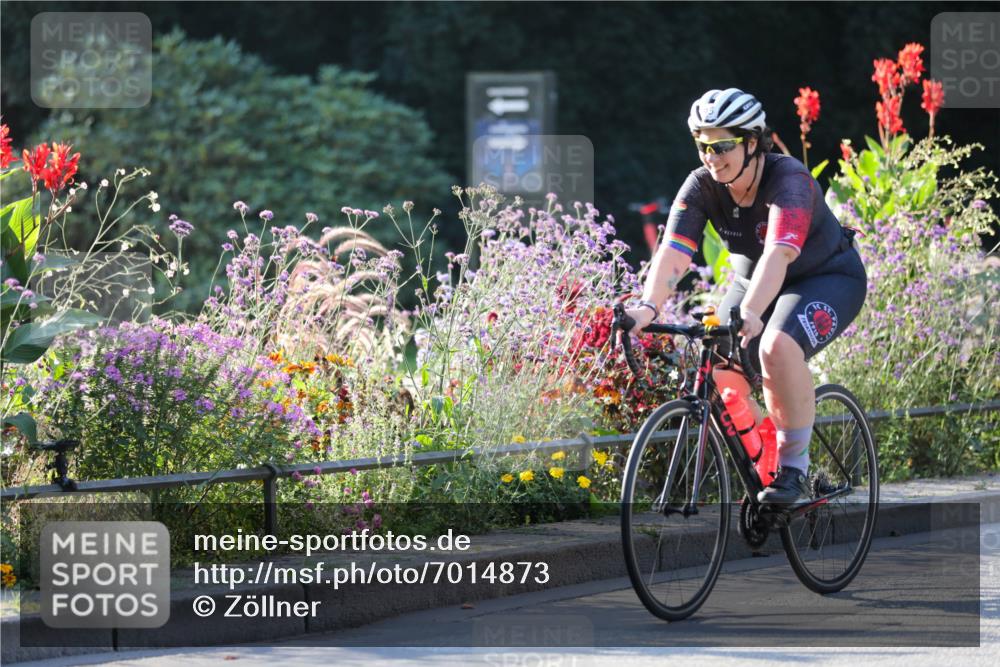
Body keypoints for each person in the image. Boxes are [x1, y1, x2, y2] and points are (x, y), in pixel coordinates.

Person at [625, 88, 867, 505]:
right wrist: (648, 306)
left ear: (752, 142)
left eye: (722, 146)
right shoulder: (702, 184)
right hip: (752, 279)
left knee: (775, 345)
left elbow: (780, 252)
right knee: (714, 358)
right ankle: (769, 452)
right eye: (703, 145)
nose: (710, 156)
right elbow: (675, 252)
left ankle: (794, 469)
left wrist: (752, 312)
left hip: (823, 277)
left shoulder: (789, 179)